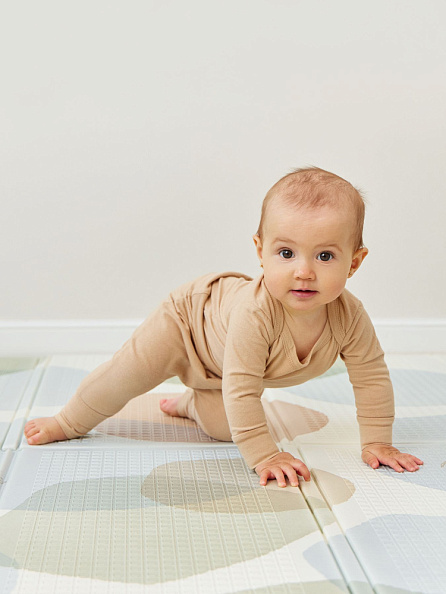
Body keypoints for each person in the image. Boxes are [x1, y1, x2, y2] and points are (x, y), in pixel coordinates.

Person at [24, 167, 423, 487]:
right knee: (120, 381)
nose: (303, 271)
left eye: (324, 255)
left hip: (221, 366)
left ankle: (192, 403)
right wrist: (266, 455)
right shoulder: (256, 315)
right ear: (260, 252)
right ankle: (68, 420)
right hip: (185, 324)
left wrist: (376, 441)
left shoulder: (350, 318)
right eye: (286, 252)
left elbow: (371, 378)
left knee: (223, 429)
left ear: (354, 263)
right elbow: (244, 388)